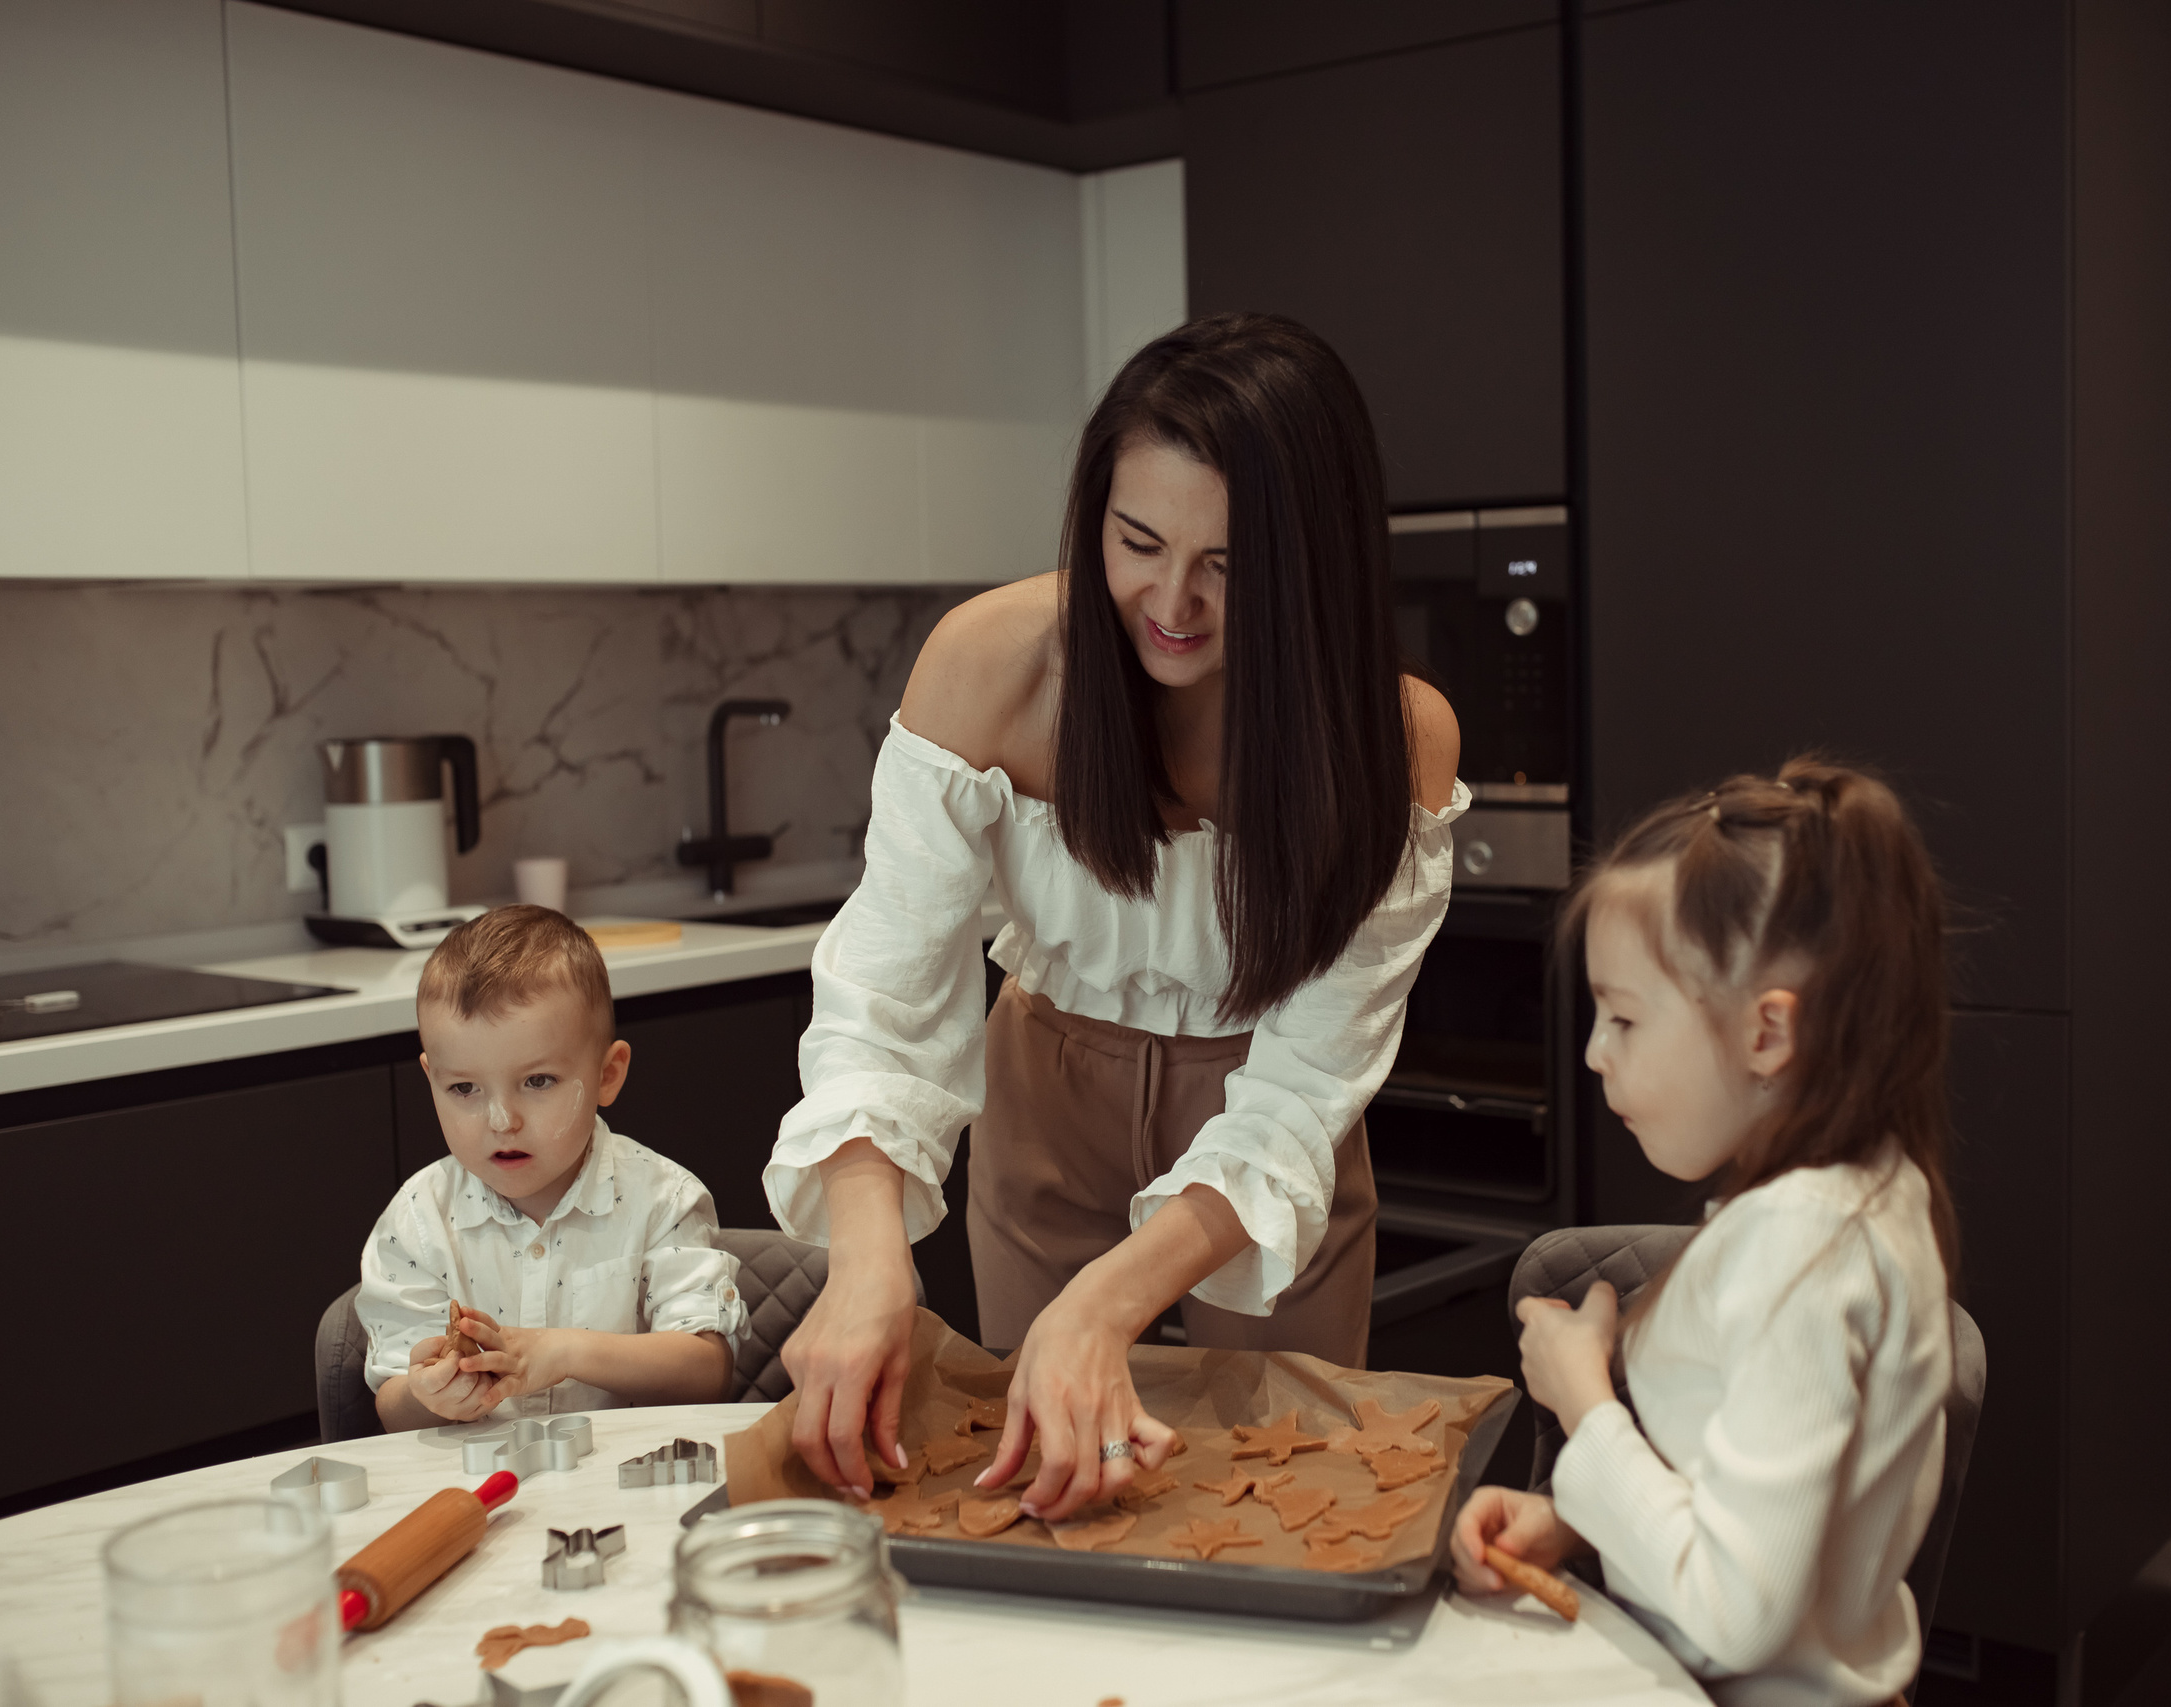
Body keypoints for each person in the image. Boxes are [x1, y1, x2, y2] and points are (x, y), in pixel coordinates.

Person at [767, 312, 1465, 1520]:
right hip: (1044, 1097)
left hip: (1267, 1119)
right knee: (1048, 1489)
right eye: (1138, 542)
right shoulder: (990, 666)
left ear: (1313, 563)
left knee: (1281, 1493)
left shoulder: (1390, 739)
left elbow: (1304, 1089)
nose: (1172, 601)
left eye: (1228, 565)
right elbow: (883, 996)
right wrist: (866, 1259)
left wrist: (1103, 1304)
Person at [1453, 760, 1958, 1707]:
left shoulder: (1800, 1249)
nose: (1595, 1051)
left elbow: (1738, 1612)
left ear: (1768, 1034)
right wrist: (1576, 1523)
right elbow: (1760, 1516)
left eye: (1624, 1016)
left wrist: (1583, 1398)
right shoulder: (1868, 1193)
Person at [359, 904, 746, 1429]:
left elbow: (708, 1373)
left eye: (537, 1081)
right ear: (432, 1080)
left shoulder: (662, 1199)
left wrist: (564, 1352)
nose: (502, 1121)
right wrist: (428, 1396)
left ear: (607, 1075)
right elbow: (392, 1410)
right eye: (464, 1088)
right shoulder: (418, 1219)